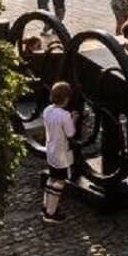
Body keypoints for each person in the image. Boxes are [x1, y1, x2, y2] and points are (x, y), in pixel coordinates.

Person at [40, 81, 76, 223]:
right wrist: (74, 119)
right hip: (61, 153)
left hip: (50, 150)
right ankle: (51, 213)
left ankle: (45, 206)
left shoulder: (47, 110)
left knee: (52, 178)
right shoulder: (65, 115)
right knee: (59, 182)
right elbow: (70, 133)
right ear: (66, 99)